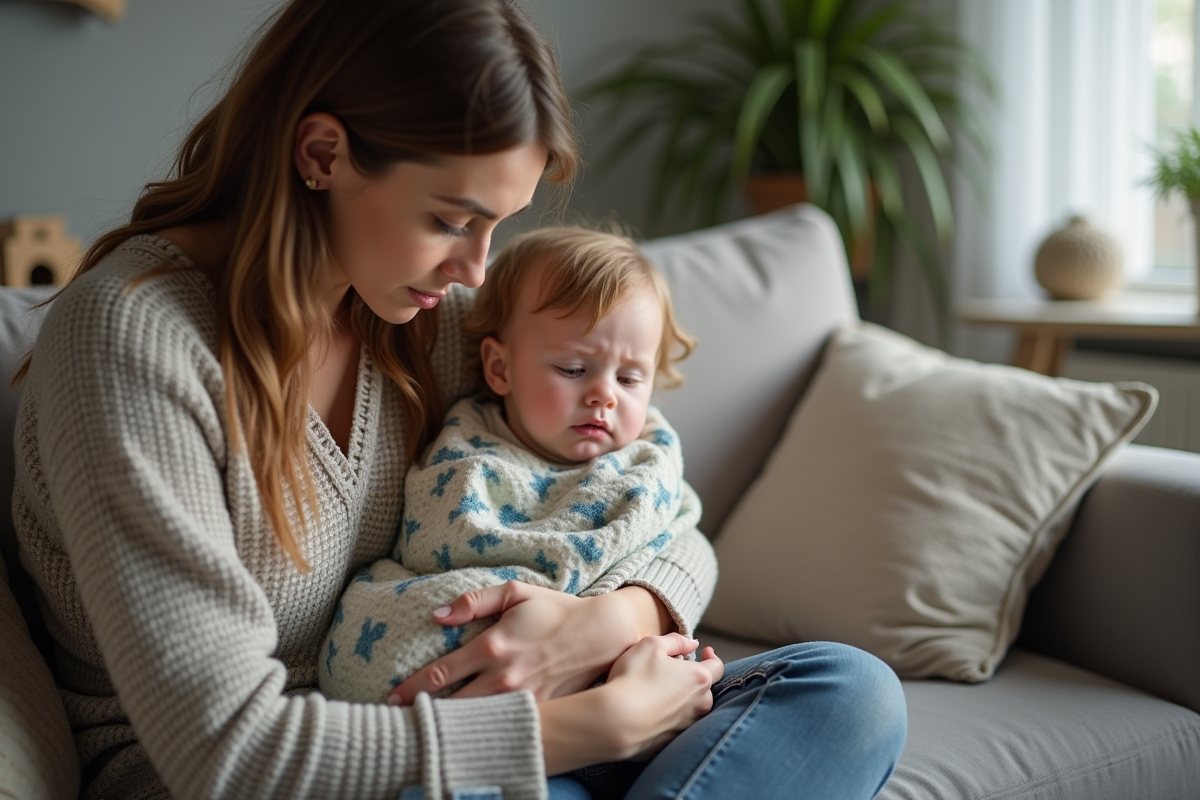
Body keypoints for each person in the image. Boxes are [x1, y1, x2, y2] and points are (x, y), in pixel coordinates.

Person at [11, 0, 906, 798]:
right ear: (322, 153)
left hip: (505, 719)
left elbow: (668, 518)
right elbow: (231, 754)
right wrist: (595, 727)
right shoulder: (132, 339)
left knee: (847, 695)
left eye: (497, 225)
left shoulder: (433, 317)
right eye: (448, 220)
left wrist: (608, 622)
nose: (476, 268)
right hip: (282, 774)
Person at [320, 227, 703, 704]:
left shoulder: (647, 458)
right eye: (573, 369)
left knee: (819, 670)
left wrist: (618, 620)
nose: (604, 394)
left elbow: (684, 535)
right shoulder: (467, 461)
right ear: (500, 369)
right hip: (508, 696)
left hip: (628, 684)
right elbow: (443, 547)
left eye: (629, 378)